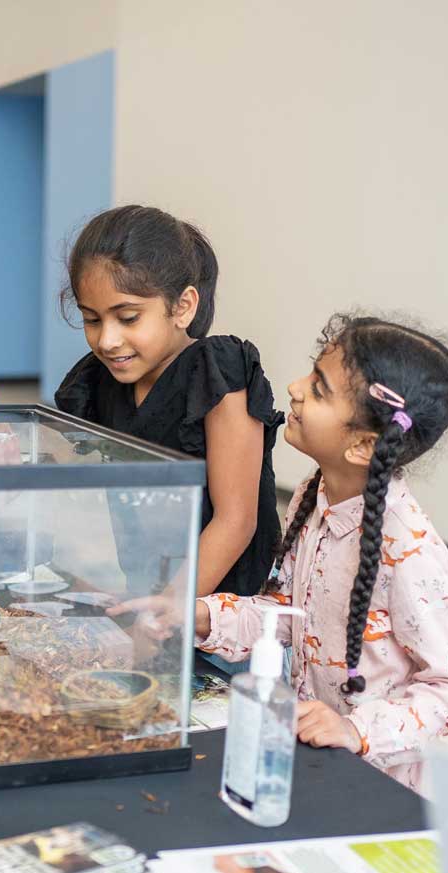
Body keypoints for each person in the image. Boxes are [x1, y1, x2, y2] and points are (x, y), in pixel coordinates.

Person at [195, 314, 448, 795]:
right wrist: (200, 616)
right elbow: (285, 616)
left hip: (400, 786)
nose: (294, 387)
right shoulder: (315, 494)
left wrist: (356, 730)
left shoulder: (409, 550)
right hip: (331, 759)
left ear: (364, 445)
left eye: (320, 389)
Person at [54, 205, 284, 605]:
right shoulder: (98, 380)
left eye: (127, 318)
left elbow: (236, 521)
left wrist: (168, 611)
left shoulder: (218, 373)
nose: (107, 340)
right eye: (92, 320)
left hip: (226, 609)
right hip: (148, 593)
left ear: (182, 307)